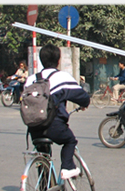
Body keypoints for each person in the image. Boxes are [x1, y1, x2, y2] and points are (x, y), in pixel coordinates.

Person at [25, 44, 90, 181]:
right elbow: (82, 97)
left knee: (43, 156)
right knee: (70, 141)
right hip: (54, 126)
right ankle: (67, 168)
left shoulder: (31, 80)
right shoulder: (61, 77)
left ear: (41, 60)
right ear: (58, 60)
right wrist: (84, 104)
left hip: (34, 127)